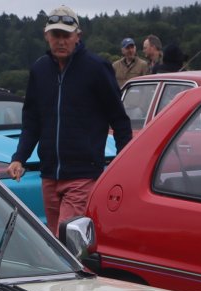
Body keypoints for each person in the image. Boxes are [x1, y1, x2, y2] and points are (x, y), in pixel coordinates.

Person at [8, 6, 132, 237]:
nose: (61, 41)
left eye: (66, 35)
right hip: (49, 174)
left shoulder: (96, 68)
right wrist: (19, 157)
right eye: (56, 35)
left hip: (83, 174)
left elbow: (119, 119)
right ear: (46, 35)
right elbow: (32, 120)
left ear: (78, 36)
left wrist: (123, 163)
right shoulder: (39, 70)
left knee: (65, 239)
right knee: (56, 241)